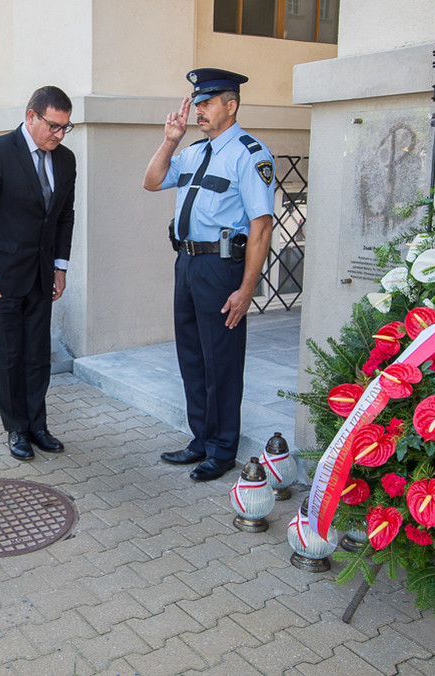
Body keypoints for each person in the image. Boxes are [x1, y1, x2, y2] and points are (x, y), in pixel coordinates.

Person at [142, 68, 275, 482]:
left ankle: (221, 449)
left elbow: (262, 225)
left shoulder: (251, 154)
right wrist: (170, 140)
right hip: (188, 263)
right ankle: (200, 439)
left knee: (221, 360)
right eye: (197, 103)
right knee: (193, 357)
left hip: (222, 268)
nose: (199, 111)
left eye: (207, 103)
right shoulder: (196, 152)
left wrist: (246, 288)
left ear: (230, 106)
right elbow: (153, 181)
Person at [0, 86, 76, 461]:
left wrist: (60, 266)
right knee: (8, 354)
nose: (58, 135)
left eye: (65, 128)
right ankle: (15, 428)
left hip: (42, 275)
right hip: (0, 276)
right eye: (53, 126)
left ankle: (37, 425)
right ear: (31, 117)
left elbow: (64, 216)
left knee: (37, 353)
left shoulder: (66, 160)